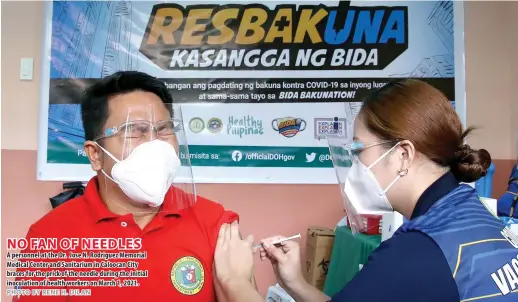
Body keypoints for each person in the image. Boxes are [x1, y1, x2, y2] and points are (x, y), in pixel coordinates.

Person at [213, 79, 518, 301]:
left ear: (403, 155)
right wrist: (298, 285)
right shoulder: (471, 214)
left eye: (359, 150)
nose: (355, 164)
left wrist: (234, 280)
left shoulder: (419, 250)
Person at [13, 71, 249, 301]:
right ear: (95, 154)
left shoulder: (214, 222)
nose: (155, 145)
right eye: (134, 131)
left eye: (164, 129)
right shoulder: (48, 236)